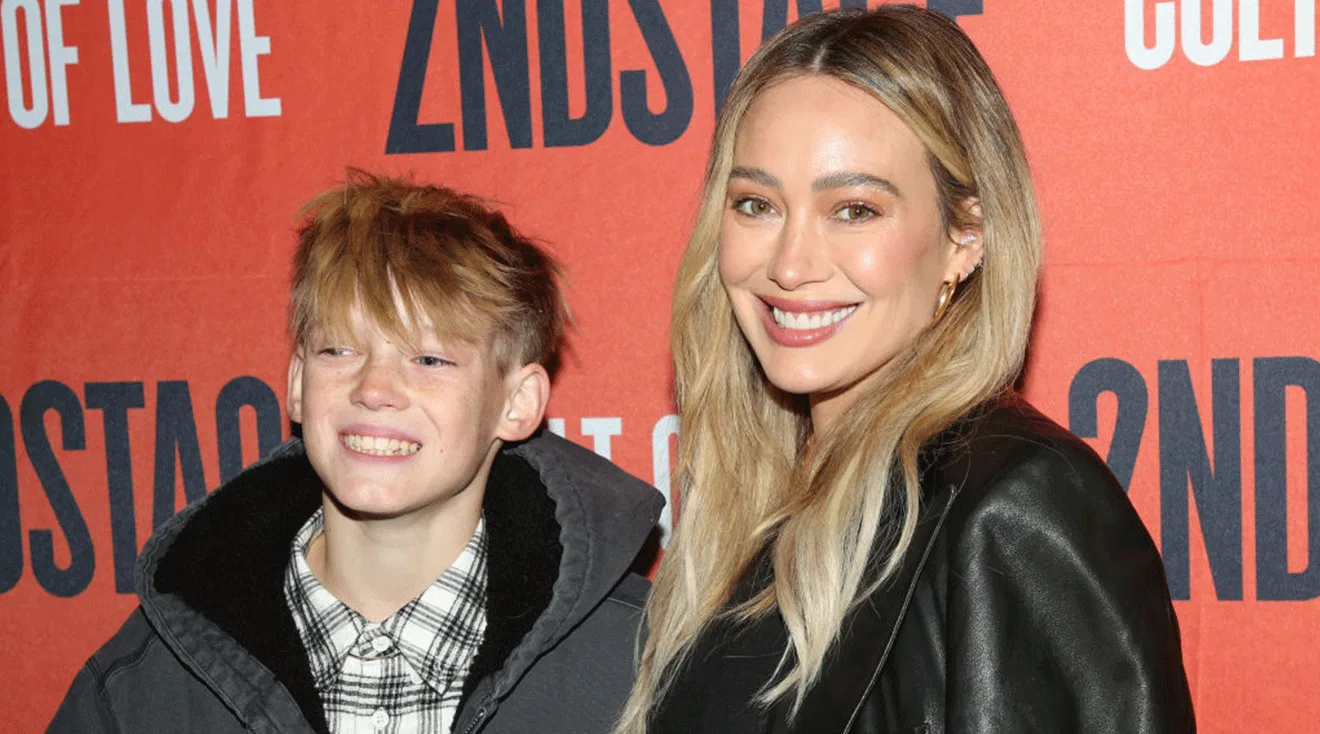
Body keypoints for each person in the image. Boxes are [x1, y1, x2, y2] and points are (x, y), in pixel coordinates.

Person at [616, 7, 1194, 734]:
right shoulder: (746, 508)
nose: (790, 265)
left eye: (854, 210)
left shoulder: (1016, 509)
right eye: (756, 204)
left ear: (965, 239)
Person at [49, 170, 664, 734]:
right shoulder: (147, 685)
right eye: (338, 350)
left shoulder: (647, 672)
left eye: (429, 360)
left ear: (519, 402)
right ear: (296, 383)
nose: (373, 389)